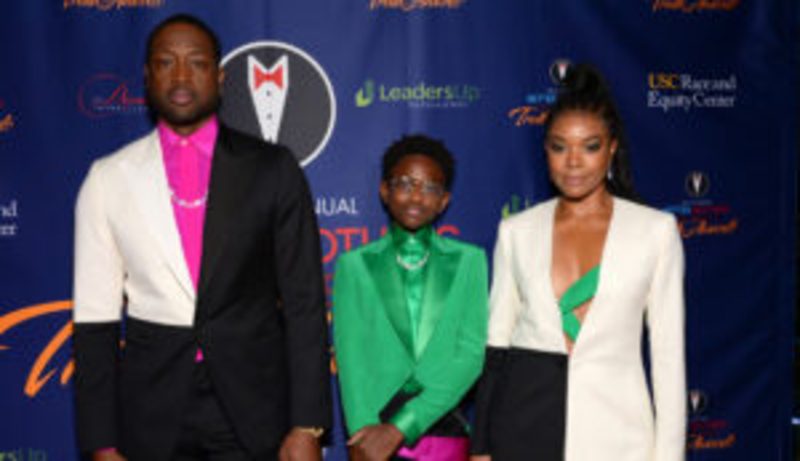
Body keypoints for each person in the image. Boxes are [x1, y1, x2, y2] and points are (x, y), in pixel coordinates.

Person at [72, 14, 331, 461]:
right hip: (150, 411)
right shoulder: (107, 178)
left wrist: (308, 423)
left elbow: (304, 302)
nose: (180, 76)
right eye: (165, 62)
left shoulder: (273, 168)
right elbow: (95, 321)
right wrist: (101, 442)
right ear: (147, 76)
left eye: (196, 62)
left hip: (253, 408)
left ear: (220, 76)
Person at [471, 64, 686, 461]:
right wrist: (481, 447)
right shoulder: (516, 230)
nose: (573, 162)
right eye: (559, 147)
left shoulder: (655, 231)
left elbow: (668, 359)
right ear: (545, 150)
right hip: (523, 430)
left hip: (620, 439)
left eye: (590, 146)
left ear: (612, 148)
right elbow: (496, 345)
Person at [333, 135, 488, 461]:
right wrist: (362, 435)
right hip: (373, 436)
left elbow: (471, 355)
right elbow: (351, 360)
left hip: (444, 428)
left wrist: (402, 426)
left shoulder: (470, 261)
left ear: (444, 200)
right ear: (384, 191)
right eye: (405, 183)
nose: (416, 196)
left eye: (430, 187)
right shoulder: (353, 265)